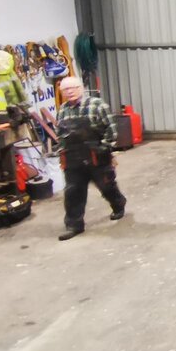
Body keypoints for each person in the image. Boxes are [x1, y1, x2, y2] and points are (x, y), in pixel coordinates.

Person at [56, 77, 126, 241]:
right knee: (73, 192)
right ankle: (74, 225)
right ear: (62, 92)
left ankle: (118, 203)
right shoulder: (63, 110)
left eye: (73, 87)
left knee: (106, 186)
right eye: (66, 89)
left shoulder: (97, 105)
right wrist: (61, 151)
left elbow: (111, 129)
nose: (70, 91)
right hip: (73, 158)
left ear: (81, 88)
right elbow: (61, 134)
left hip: (97, 156)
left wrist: (105, 147)